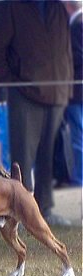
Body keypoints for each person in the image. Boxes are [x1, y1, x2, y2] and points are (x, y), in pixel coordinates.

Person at [0, 0, 73, 225]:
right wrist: (12, 82)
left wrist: (68, 84)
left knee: (49, 158)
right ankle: (19, 213)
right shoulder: (11, 6)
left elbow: (66, 48)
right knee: (22, 158)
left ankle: (45, 210)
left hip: (57, 92)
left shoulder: (58, 6)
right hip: (24, 94)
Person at [63, 0, 83, 186]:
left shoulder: (77, 25)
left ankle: (79, 177)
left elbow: (77, 56)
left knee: (78, 135)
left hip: (77, 90)